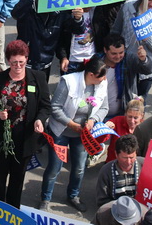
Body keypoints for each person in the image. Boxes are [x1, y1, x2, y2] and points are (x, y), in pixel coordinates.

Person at [0, 40, 51, 208]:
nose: (18, 66)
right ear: (8, 61)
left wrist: (40, 120)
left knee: (17, 179)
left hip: (25, 138)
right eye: (14, 62)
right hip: (1, 138)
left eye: (22, 61)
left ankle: (12, 211)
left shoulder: (38, 77)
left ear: (27, 59)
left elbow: (45, 106)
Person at [40, 57, 109, 212]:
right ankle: (45, 198)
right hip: (61, 131)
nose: (104, 79)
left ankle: (73, 195)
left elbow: (104, 108)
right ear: (91, 74)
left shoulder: (102, 84)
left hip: (82, 134)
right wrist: (70, 124)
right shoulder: (68, 82)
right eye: (101, 76)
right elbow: (55, 107)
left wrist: (93, 119)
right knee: (54, 167)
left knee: (79, 168)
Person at [12, 0, 85, 83]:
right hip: (24, 61)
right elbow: (15, 13)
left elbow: (76, 31)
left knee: (40, 95)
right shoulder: (29, 7)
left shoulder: (61, 13)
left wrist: (78, 19)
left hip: (45, 64)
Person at [96, 34, 152, 120]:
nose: (118, 56)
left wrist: (144, 59)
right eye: (114, 53)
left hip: (122, 115)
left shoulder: (129, 59)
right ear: (105, 50)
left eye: (121, 52)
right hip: (97, 115)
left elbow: (148, 70)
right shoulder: (96, 61)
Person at [96, 134, 144, 207]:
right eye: (124, 158)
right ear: (116, 154)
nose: (128, 162)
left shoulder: (145, 165)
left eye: (131, 157)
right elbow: (102, 201)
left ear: (136, 153)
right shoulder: (106, 171)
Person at [105, 98, 145, 162]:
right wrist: (105, 130)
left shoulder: (145, 128)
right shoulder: (117, 121)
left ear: (142, 116)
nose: (132, 121)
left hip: (133, 164)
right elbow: (100, 140)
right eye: (129, 117)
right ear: (125, 114)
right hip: (114, 161)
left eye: (135, 118)